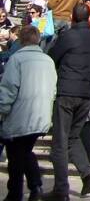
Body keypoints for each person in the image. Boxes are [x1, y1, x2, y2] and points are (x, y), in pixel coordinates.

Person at [45, 4, 90, 200]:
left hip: (67, 92)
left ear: (73, 18)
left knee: (60, 142)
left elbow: (52, 57)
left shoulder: (68, 36)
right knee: (73, 137)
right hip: (86, 94)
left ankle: (61, 188)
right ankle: (87, 173)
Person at [0, 26, 56, 201]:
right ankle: (34, 186)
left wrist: (2, 111)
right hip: (41, 115)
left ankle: (17, 191)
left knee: (16, 154)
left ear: (21, 40)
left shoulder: (16, 59)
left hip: (20, 115)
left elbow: (9, 90)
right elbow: (53, 89)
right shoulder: (48, 61)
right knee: (25, 151)